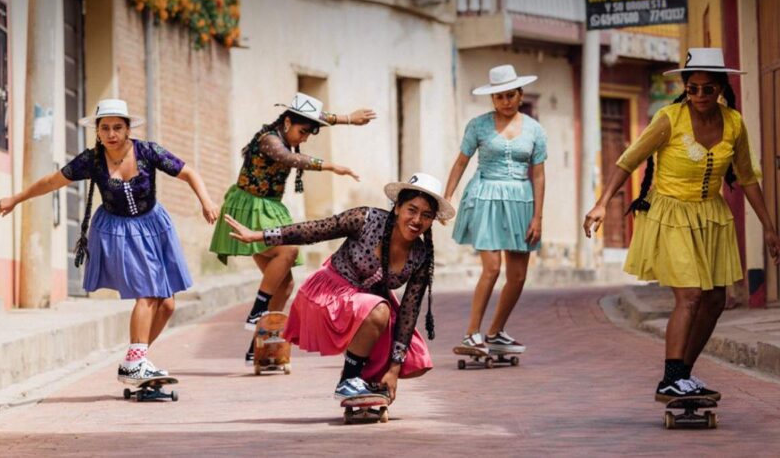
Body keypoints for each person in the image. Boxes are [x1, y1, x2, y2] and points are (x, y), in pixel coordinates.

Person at [583, 48, 780, 402]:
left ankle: (681, 375)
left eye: (708, 89)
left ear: (721, 87)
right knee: (689, 295)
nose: (701, 96)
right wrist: (601, 204)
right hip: (671, 214)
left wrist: (768, 226)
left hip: (711, 216)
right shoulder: (668, 118)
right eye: (693, 89)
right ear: (685, 88)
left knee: (716, 299)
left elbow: (748, 177)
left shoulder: (734, 122)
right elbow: (628, 161)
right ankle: (671, 376)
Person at [0, 99, 219, 384]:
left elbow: (188, 172)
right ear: (98, 132)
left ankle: (134, 361)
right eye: (105, 128)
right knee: (148, 292)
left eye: (117, 127)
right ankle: (136, 363)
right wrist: (16, 198)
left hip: (153, 226)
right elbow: (52, 181)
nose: (111, 133)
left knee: (167, 305)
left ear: (128, 129)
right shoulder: (91, 160)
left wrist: (206, 201)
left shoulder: (148, 151)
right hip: (117, 231)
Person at [225, 173, 455, 403]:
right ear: (397, 208)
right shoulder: (366, 219)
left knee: (416, 360)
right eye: (411, 210)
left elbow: (409, 311)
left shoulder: (421, 256)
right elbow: (315, 230)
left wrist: (394, 369)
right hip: (329, 294)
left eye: (426, 215)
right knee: (379, 310)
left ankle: (366, 379)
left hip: (369, 305)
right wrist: (261, 235)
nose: (416, 220)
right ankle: (348, 380)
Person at [208, 92, 375, 363]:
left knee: (285, 287)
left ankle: (259, 347)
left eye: (310, 133)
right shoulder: (269, 140)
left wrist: (348, 119)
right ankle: (257, 310)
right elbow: (290, 159)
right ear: (287, 122)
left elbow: (322, 117)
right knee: (288, 251)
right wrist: (333, 166)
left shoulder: (289, 129)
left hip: (270, 207)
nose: (305, 138)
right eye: (303, 131)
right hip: (250, 206)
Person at [443, 64, 546, 356]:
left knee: (518, 276)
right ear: (492, 99)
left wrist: (538, 216)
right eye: (499, 97)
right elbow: (461, 162)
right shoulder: (478, 126)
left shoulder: (535, 129)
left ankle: (495, 332)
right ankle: (470, 334)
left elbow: (538, 175)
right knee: (492, 268)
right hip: (485, 195)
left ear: (520, 94)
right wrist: (447, 196)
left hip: (521, 202)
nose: (506, 102)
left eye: (511, 95)